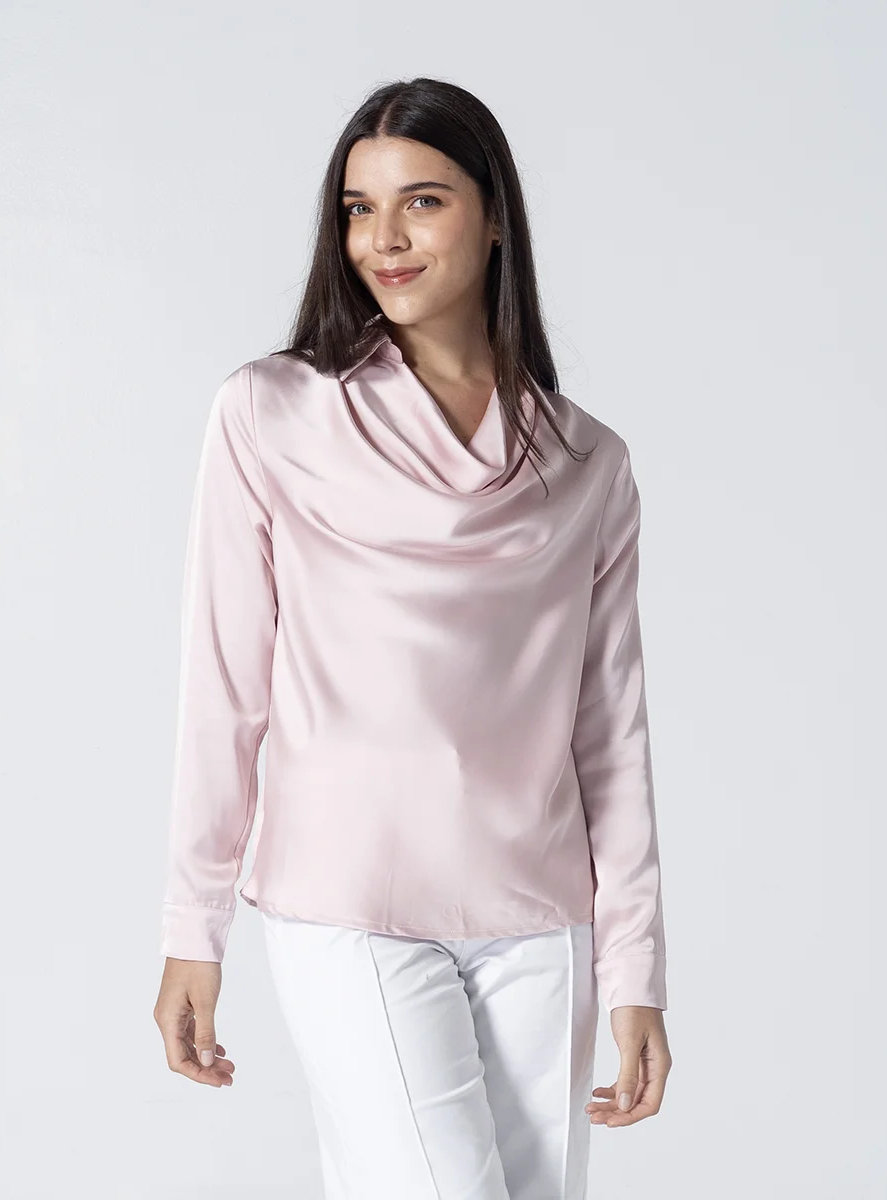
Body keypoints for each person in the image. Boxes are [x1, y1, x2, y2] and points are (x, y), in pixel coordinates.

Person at [152, 76, 672, 1199]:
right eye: (358, 208)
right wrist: (194, 925)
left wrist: (635, 967)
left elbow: (610, 734)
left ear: (495, 219)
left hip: (539, 919)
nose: (382, 240)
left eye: (421, 202)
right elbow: (224, 687)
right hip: (350, 902)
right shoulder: (271, 412)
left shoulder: (588, 463)